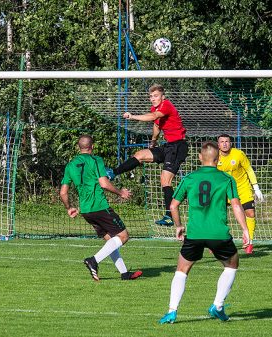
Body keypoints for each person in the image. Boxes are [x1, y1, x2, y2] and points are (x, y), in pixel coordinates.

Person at [159, 142, 250, 324]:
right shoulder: (226, 179)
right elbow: (236, 205)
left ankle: (172, 311)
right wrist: (245, 229)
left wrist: (178, 226)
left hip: (194, 234)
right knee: (231, 265)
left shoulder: (189, 178)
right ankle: (217, 306)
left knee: (182, 270)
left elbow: (173, 205)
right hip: (219, 234)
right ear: (218, 159)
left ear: (200, 158)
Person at [60, 135, 142, 282]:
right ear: (92, 147)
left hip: (86, 211)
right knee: (123, 236)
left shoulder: (70, 165)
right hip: (100, 207)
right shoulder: (96, 160)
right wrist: (120, 192)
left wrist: (69, 207)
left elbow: (63, 192)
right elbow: (104, 183)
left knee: (111, 241)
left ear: (79, 147)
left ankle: (124, 273)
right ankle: (93, 260)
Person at [106, 84, 188, 227]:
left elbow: (154, 117)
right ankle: (113, 173)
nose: (153, 99)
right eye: (151, 96)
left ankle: (169, 215)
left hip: (178, 146)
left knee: (165, 179)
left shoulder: (166, 105)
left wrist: (132, 116)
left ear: (163, 97)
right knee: (140, 155)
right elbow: (157, 126)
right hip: (168, 146)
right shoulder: (155, 109)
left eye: (155, 96)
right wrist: (153, 142)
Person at [217, 134, 264, 254]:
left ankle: (249, 241)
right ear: (218, 145)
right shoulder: (215, 157)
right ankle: (217, 241)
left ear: (230, 143)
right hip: (224, 189)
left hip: (242, 188)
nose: (224, 144)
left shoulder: (239, 154)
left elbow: (249, 169)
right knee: (218, 215)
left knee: (250, 212)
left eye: (227, 141)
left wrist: (256, 188)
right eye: (222, 142)